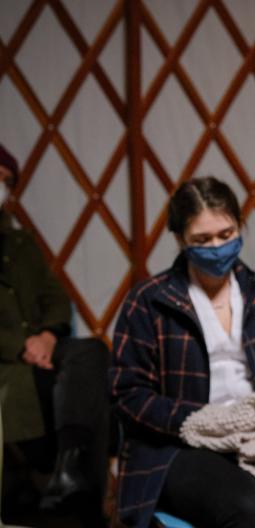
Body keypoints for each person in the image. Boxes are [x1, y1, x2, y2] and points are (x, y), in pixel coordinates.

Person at [111, 177, 255, 528]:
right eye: (202, 240)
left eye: (226, 234)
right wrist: (198, 421)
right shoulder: (150, 302)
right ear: (179, 239)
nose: (217, 247)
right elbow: (129, 392)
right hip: (181, 444)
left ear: (239, 226)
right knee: (245, 508)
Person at [0, 144, 109, 526]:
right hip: (7, 361)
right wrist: (21, 346)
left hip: (44, 349)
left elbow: (55, 296)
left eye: (7, 181)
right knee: (43, 389)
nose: (1, 187)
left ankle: (71, 470)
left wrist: (47, 336)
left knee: (92, 354)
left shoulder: (20, 242)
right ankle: (56, 491)